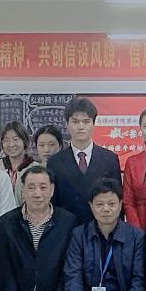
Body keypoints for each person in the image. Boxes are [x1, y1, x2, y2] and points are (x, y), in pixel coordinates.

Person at [47, 96, 123, 224]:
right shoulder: (55, 162)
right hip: (66, 229)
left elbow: (118, 199)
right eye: (75, 122)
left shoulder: (109, 159)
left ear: (93, 124)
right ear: (67, 124)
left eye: (86, 121)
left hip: (101, 228)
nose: (81, 127)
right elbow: (52, 203)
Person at [0, 121, 35, 197]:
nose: (11, 144)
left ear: (24, 141)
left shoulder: (35, 167)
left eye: (15, 139)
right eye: (6, 140)